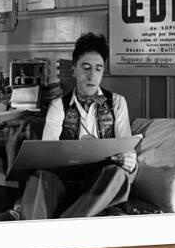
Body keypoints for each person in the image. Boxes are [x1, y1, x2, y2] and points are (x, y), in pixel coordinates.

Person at [8, 32, 138, 219]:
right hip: (66, 182)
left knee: (118, 174)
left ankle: (66, 224)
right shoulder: (58, 105)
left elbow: (127, 148)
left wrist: (129, 161)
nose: (92, 75)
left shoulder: (117, 103)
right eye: (86, 68)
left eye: (98, 69)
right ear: (74, 70)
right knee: (42, 176)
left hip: (101, 183)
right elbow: (47, 155)